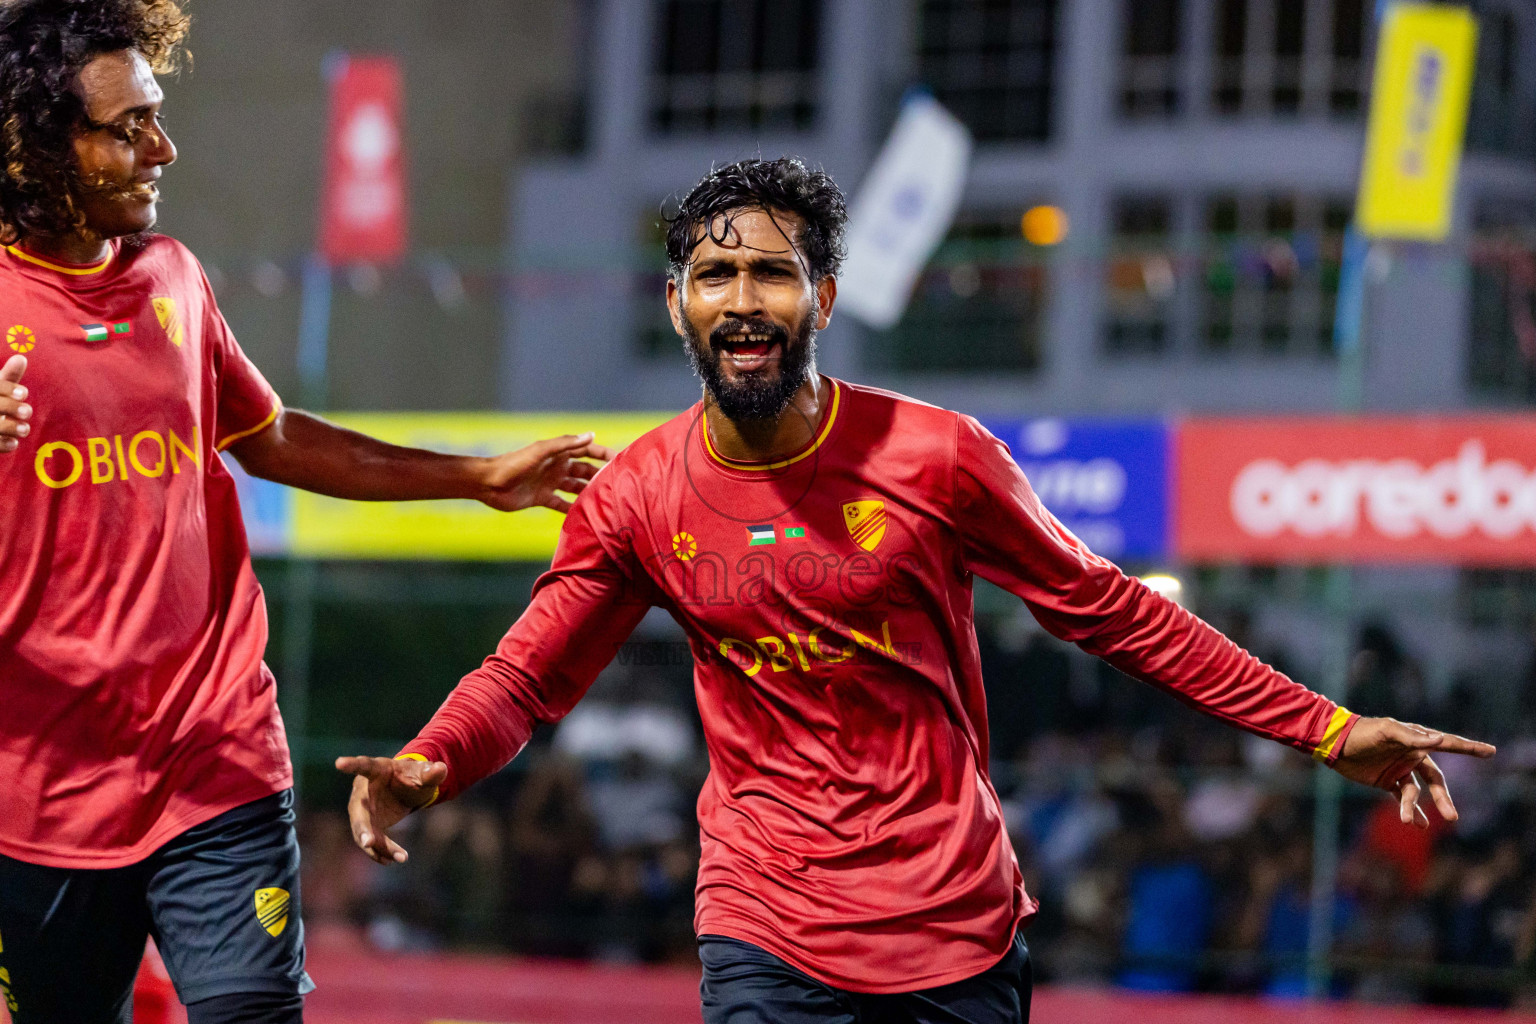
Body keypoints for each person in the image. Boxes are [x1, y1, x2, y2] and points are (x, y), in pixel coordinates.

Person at [338, 157, 1496, 1024]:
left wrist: (1329, 726)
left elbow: (1118, 611)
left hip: (955, 926)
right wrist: (428, 761)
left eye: (772, 273)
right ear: (681, 303)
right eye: (715, 273)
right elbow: (528, 674)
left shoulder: (939, 455)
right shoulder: (636, 494)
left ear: (824, 298)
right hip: (763, 921)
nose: (743, 298)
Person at [0, 2, 609, 1021]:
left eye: (159, 114)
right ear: (35, 144)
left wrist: (476, 475)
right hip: (39, 793)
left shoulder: (175, 279)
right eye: (127, 127)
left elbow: (273, 436)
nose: (165, 146)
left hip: (216, 756)